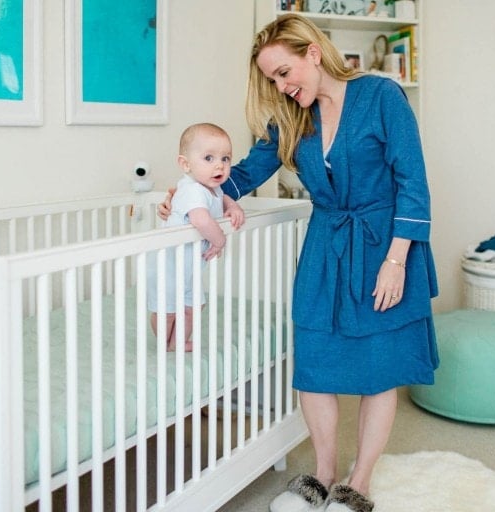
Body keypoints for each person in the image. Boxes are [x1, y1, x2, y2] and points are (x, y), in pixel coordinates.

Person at [159, 14, 438, 512]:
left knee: (379, 367)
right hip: (326, 244)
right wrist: (191, 197)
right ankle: (323, 472)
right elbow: (243, 174)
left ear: (313, 52)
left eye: (284, 72)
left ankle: (361, 480)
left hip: (382, 246)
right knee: (314, 364)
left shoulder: (381, 96)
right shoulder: (290, 117)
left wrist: (398, 260)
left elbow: (412, 182)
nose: (281, 86)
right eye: (272, 79)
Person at [147, 123, 245, 352]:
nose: (219, 165)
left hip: (190, 268)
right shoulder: (192, 189)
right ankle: (165, 343)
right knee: (167, 312)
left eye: (226, 158)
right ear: (185, 164)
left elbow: (221, 199)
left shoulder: (212, 188)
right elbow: (201, 220)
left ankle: (177, 342)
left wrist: (233, 206)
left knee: (194, 306)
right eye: (209, 158)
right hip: (169, 266)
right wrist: (220, 241)